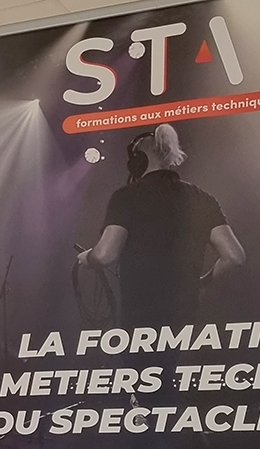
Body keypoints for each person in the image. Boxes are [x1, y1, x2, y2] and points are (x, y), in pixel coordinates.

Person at [77, 124, 245, 332]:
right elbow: (234, 256)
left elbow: (104, 255)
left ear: (137, 161)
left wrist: (89, 258)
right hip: (186, 317)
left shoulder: (126, 197)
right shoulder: (201, 197)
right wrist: (200, 284)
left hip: (140, 319)